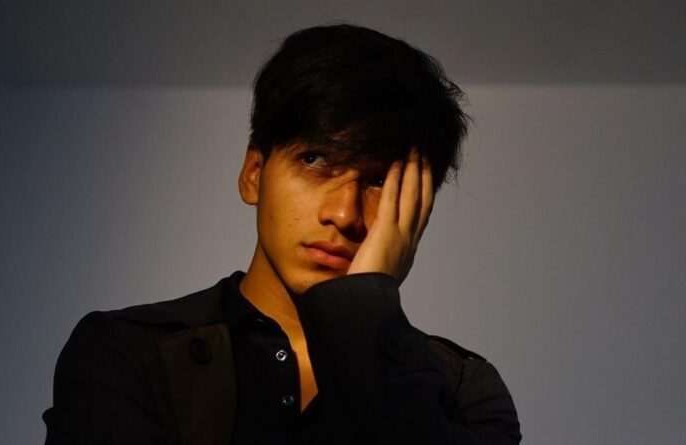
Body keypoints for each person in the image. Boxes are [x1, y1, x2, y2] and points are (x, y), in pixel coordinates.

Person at [43, 23, 522, 444]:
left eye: (379, 181)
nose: (344, 214)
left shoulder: (462, 390)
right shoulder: (127, 352)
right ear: (254, 173)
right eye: (314, 160)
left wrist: (366, 314)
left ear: (420, 208)